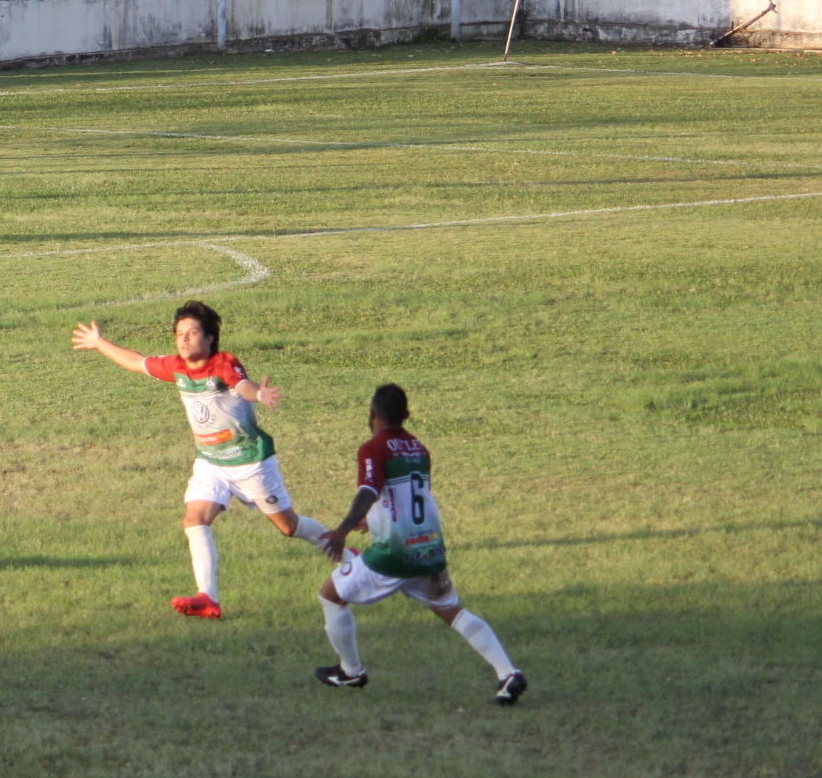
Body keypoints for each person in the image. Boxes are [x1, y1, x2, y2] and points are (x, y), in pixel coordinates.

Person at [72, 301, 333, 620]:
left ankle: (346, 554)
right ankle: (207, 598)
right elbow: (137, 362)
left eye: (192, 333)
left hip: (250, 463)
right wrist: (99, 343)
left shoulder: (222, 363)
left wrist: (260, 395)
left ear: (209, 338)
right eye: (179, 333)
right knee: (194, 520)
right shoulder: (176, 367)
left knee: (289, 527)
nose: (183, 339)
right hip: (211, 463)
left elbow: (242, 386)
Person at [314, 384, 528, 705]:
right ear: (407, 416)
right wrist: (370, 520)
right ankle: (508, 672)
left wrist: (343, 528)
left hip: (394, 555)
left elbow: (370, 491)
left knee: (330, 595)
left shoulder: (373, 448)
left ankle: (351, 671)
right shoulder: (418, 448)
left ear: (372, 414)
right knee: (452, 611)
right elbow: (408, 499)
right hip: (428, 548)